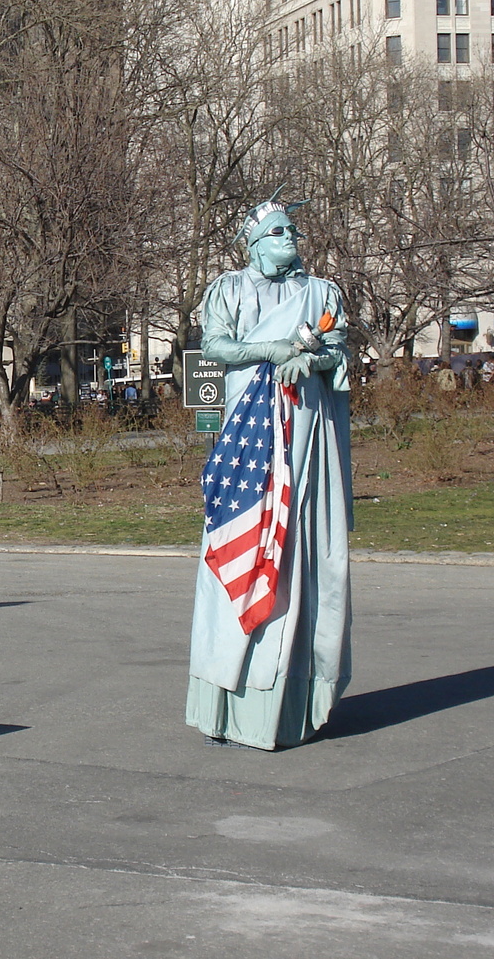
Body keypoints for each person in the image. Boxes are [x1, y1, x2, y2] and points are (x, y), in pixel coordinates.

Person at [185, 194, 353, 751]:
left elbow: (339, 350)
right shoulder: (227, 289)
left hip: (308, 440)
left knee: (304, 559)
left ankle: (294, 706)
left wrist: (315, 358)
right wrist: (271, 349)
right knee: (247, 550)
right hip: (252, 442)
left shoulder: (323, 292)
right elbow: (214, 346)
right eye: (279, 231)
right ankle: (227, 704)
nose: (291, 238)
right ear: (254, 243)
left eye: (294, 230)